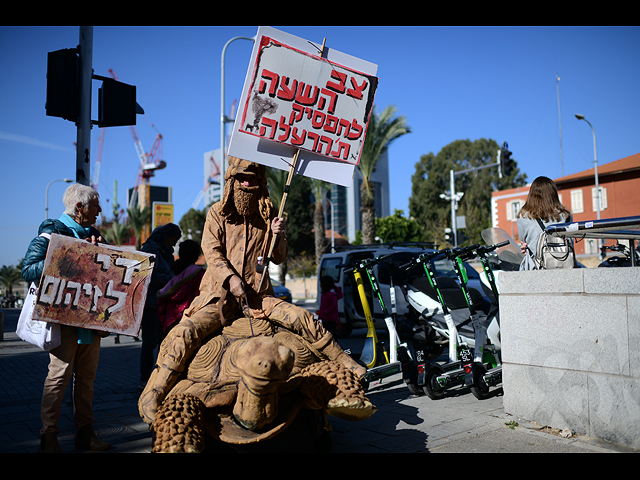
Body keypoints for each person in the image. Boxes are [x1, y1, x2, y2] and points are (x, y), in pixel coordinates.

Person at [139, 157, 366, 424]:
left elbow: (278, 257)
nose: (247, 183)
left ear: (261, 183)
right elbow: (212, 253)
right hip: (219, 298)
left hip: (259, 297)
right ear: (232, 181)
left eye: (253, 178)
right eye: (242, 178)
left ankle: (345, 361)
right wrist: (230, 279)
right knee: (186, 332)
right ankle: (154, 391)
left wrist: (279, 234)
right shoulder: (216, 214)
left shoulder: (270, 216)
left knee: (303, 318)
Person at [22, 183, 111, 453]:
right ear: (80, 207)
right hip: (63, 320)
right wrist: (73, 252)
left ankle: (85, 433)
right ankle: (48, 437)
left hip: (90, 321)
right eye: (95, 204)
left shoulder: (96, 234)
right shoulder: (51, 233)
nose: (99, 210)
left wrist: (102, 253)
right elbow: (29, 271)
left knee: (86, 378)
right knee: (59, 376)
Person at [138, 223, 182, 389]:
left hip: (163, 304)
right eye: (174, 239)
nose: (175, 243)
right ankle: (144, 378)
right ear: (166, 236)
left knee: (163, 343)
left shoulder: (165, 251)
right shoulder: (151, 249)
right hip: (151, 304)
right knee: (149, 343)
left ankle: (159, 376)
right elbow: (147, 274)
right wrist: (171, 278)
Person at [517, 176, 573, 270]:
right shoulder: (566, 216)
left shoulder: (524, 217)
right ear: (554, 193)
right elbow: (570, 243)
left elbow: (524, 241)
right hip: (563, 265)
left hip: (535, 267)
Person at [157, 239, 204, 338]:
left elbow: (162, 303)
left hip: (170, 323)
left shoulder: (174, 276)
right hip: (190, 323)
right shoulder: (199, 274)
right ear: (197, 255)